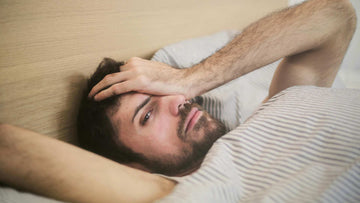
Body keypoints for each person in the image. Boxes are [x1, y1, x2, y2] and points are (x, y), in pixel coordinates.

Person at [0, 0, 358, 202]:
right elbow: (9, 147)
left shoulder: (274, 110)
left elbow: (334, 17)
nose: (177, 102)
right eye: (146, 115)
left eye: (162, 93)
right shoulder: (185, 192)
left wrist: (190, 78)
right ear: (131, 167)